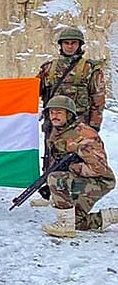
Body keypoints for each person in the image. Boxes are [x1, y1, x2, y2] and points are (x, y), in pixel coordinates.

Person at [32, 26, 106, 207]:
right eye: (66, 43)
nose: (70, 46)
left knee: (76, 159)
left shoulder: (90, 69)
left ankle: (72, 197)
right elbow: (33, 89)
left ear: (79, 45)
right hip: (54, 123)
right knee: (52, 156)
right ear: (61, 45)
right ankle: (50, 193)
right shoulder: (49, 68)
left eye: (74, 43)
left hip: (79, 125)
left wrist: (94, 127)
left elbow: (98, 99)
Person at [40, 96, 116, 238]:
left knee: (56, 178)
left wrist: (72, 168)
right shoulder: (57, 131)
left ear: (69, 115)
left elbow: (99, 168)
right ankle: (112, 215)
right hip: (82, 179)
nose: (54, 116)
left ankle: (65, 226)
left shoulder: (83, 135)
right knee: (78, 222)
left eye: (59, 113)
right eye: (51, 113)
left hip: (99, 181)